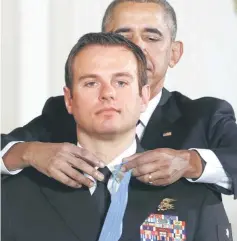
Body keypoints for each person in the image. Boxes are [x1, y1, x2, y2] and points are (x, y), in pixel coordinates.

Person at [2, 32, 237, 241]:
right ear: (69, 99)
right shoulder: (17, 194)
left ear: (144, 96)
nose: (107, 94)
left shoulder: (197, 197)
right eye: (91, 83)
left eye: (122, 82)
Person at [1, 0, 237, 198]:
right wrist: (28, 153)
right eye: (122, 37)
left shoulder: (204, 116)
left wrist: (191, 163)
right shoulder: (67, 111)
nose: (137, 47)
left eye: (152, 38)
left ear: (174, 53)